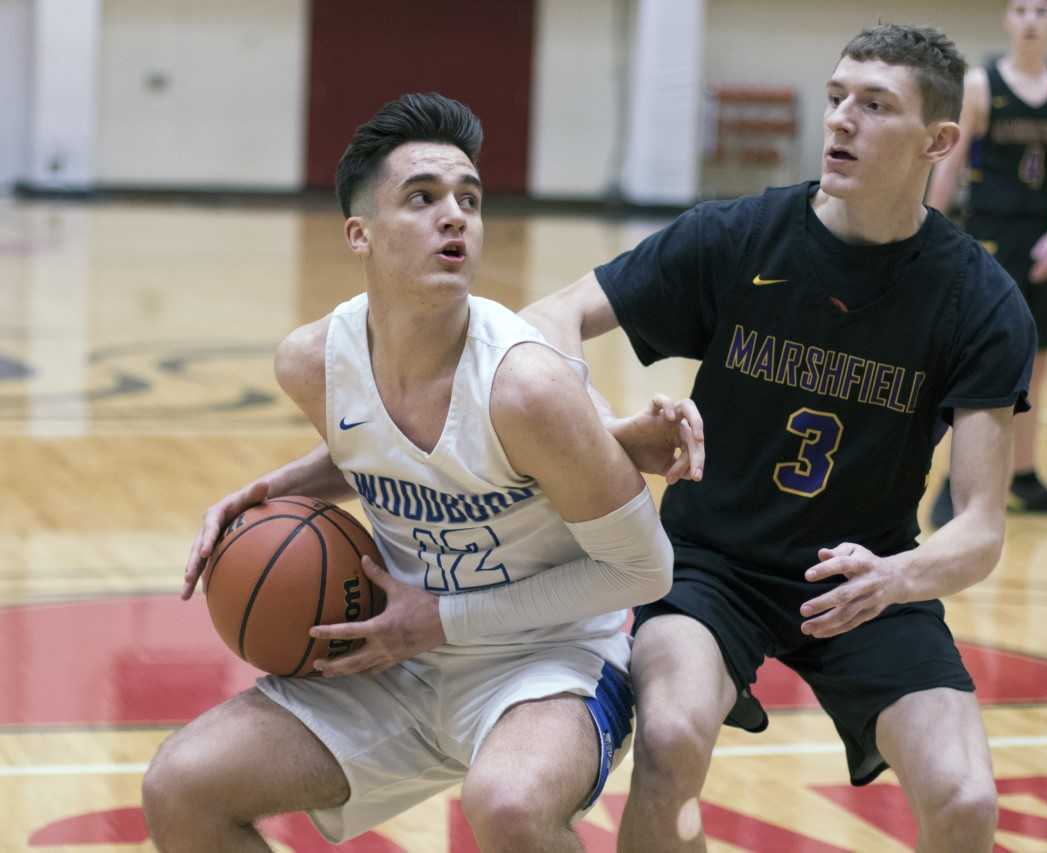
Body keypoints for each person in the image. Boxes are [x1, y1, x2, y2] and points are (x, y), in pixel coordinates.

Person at [522, 24, 1036, 853]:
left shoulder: (978, 299)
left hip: (862, 572)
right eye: (837, 98)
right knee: (672, 736)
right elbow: (547, 320)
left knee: (966, 798)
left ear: (938, 141)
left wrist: (896, 576)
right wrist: (601, 429)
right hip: (710, 566)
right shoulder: (738, 237)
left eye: (875, 106)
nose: (840, 120)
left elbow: (979, 527)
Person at [141, 93, 687, 853]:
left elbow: (645, 567)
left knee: (509, 805)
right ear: (359, 234)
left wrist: (438, 619)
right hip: (392, 657)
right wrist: (279, 488)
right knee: (181, 787)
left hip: (544, 660)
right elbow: (390, 448)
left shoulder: (525, 385)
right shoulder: (312, 363)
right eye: (422, 198)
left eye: (469, 198)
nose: (455, 215)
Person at [927, 0, 1047, 524]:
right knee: (978, 363)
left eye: (1042, 10)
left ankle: (1024, 476)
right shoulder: (981, 84)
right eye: (1021, 9)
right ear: (1008, 20)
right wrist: (927, 224)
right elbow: (951, 158)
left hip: (1040, 237)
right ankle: (953, 483)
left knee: (1037, 365)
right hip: (991, 234)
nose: (1031, 19)